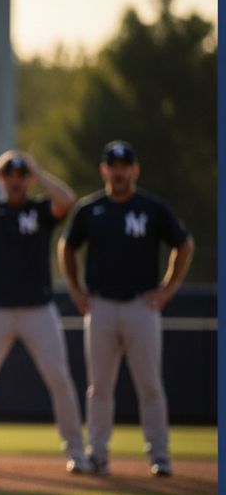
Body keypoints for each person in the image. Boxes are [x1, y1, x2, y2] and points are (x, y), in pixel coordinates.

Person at [0, 151, 90, 473]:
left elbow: (67, 201)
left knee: (59, 378)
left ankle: (77, 452)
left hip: (38, 309)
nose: (15, 181)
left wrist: (37, 169)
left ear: (29, 179)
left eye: (21, 175)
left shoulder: (40, 210)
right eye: (10, 176)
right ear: (3, 179)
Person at [58, 141, 193, 477]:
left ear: (135, 169)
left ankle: (159, 456)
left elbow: (184, 245)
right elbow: (67, 247)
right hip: (101, 305)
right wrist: (75, 289)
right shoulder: (91, 209)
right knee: (99, 387)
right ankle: (98, 454)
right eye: (113, 165)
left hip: (141, 305)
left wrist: (168, 288)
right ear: (104, 170)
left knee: (149, 385)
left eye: (125, 165)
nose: (119, 171)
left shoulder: (152, 208)